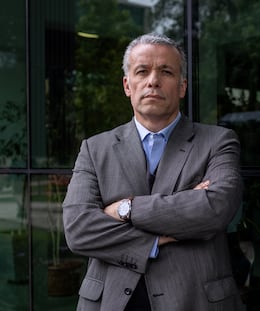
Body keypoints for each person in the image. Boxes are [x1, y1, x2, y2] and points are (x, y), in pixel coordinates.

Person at [62, 32, 245, 311]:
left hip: (194, 300)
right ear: (127, 85)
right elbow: (78, 230)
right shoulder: (94, 149)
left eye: (166, 71)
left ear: (182, 86)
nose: (153, 81)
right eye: (142, 71)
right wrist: (154, 240)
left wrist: (125, 209)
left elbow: (214, 209)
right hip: (111, 301)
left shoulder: (218, 141)